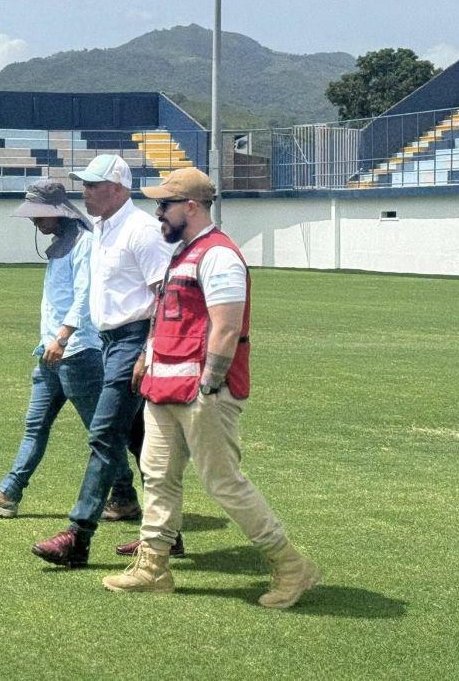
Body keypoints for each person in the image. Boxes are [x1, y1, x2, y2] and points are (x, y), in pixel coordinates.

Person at [102, 168, 320, 609]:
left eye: (164, 204)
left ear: (191, 206)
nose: (157, 212)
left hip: (201, 393)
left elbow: (226, 328)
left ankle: (291, 565)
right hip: (164, 389)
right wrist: (147, 356)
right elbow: (167, 314)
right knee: (159, 479)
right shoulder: (183, 253)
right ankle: (152, 567)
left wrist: (208, 386)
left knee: (224, 483)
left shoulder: (219, 255)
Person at [30, 155, 175, 567]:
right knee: (138, 439)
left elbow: (164, 298)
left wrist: (148, 351)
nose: (84, 192)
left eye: (92, 185)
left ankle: (78, 535)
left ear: (116, 188)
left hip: (134, 341)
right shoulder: (100, 229)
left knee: (104, 435)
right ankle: (168, 533)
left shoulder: (142, 230)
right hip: (111, 342)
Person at [0, 180, 102, 518]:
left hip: (77, 352)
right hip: (51, 352)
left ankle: (125, 495)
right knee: (36, 425)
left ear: (58, 213)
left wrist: (63, 337)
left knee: (101, 433)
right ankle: (8, 493)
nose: (34, 221)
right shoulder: (61, 244)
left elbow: (85, 297)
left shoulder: (85, 244)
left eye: (39, 215)